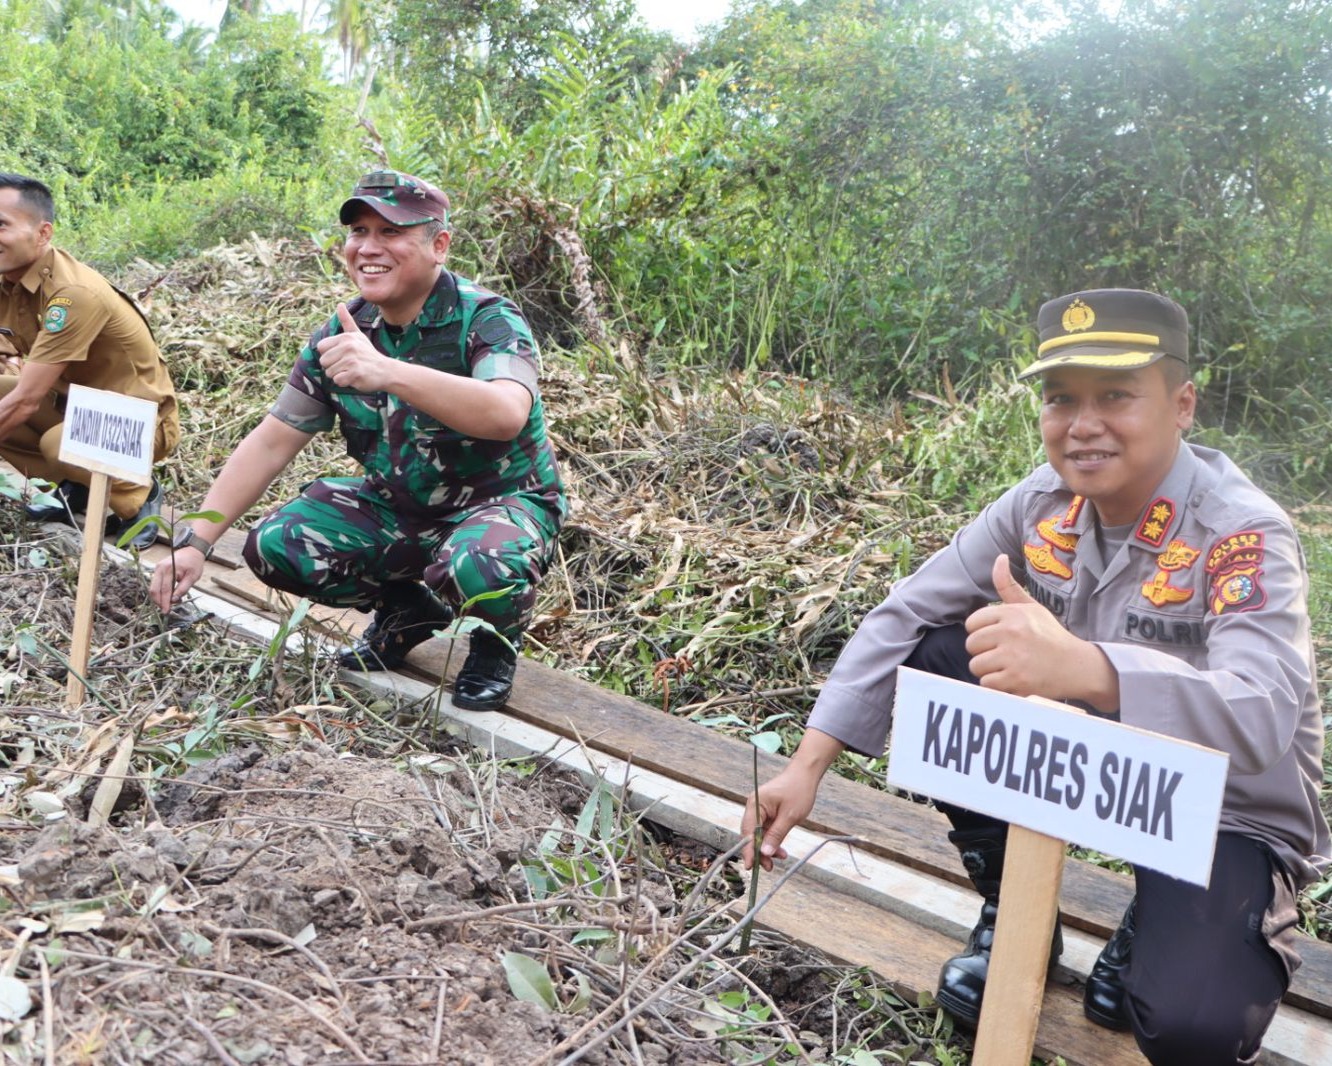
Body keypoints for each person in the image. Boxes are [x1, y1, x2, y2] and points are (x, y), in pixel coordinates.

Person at [742, 289, 1330, 1064]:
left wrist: (1085, 667)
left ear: (1182, 403)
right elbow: (906, 611)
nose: (1082, 425)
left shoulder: (1241, 532)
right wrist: (807, 765)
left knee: (1192, 1025)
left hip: (1220, 807)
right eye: (1061, 400)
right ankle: (1015, 910)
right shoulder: (1040, 504)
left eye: (1116, 395)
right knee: (943, 657)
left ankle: (1157, 923)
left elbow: (1261, 717)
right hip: (1089, 765)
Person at [148, 169, 566, 711]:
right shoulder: (344, 331)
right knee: (277, 545)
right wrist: (196, 543)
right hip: (403, 507)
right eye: (358, 232)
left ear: (439, 245)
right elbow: (274, 438)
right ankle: (406, 609)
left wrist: (388, 371)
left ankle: (493, 645)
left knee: (478, 563)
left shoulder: (486, 318)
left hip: (500, 509)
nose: (368, 248)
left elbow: (506, 412)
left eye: (391, 233)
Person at [0, 173, 178, 548]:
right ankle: (76, 486)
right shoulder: (10, 284)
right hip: (75, 405)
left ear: (43, 233)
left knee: (59, 441)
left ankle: (138, 494)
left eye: (1, 225)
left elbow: (27, 400)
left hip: (140, 422)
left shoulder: (73, 294)